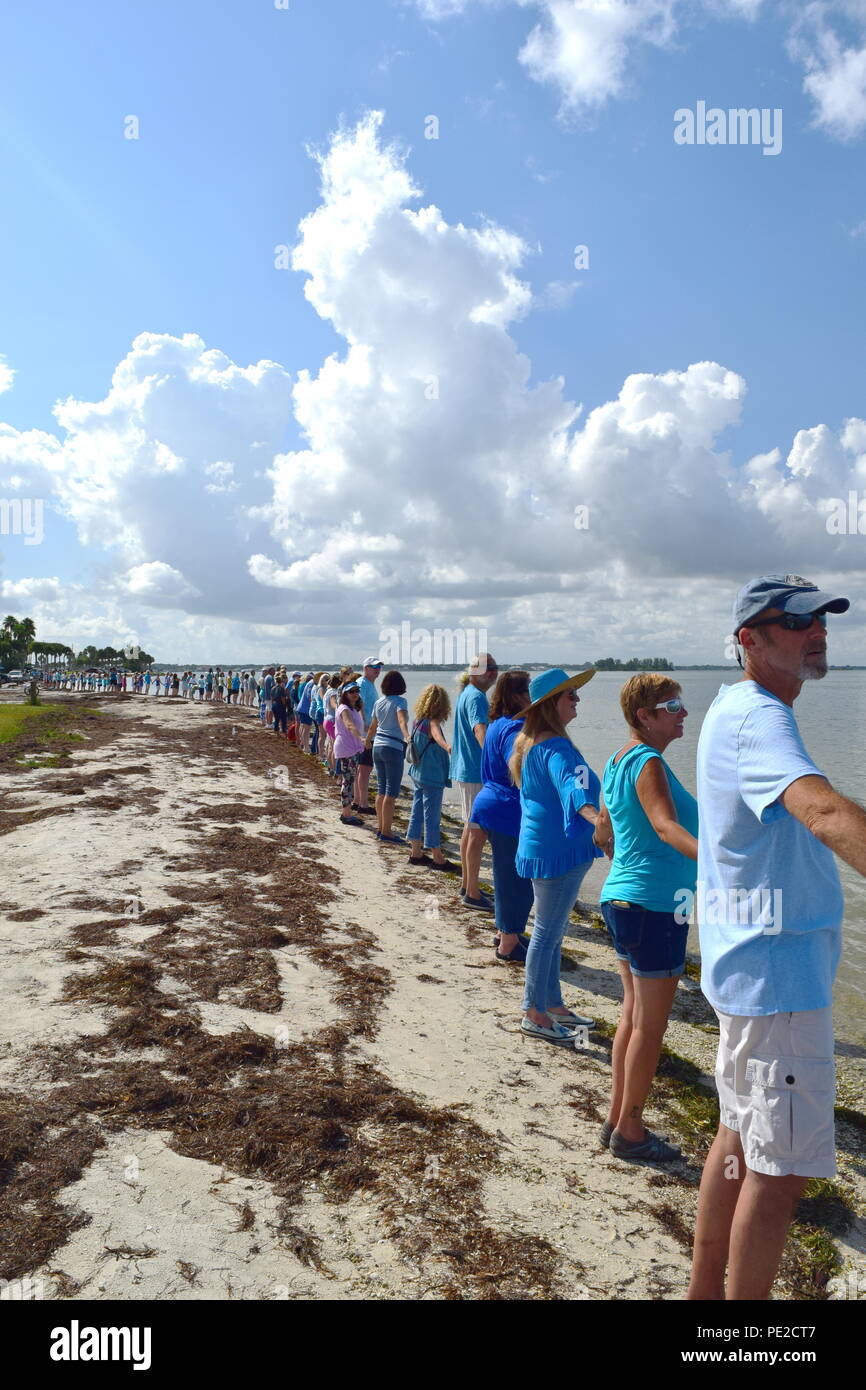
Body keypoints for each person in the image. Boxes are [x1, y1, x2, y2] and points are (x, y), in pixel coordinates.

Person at [687, 574, 865, 1302]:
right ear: (748, 641)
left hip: (750, 976)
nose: (814, 630)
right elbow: (821, 810)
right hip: (779, 986)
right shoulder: (759, 717)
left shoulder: (735, 708)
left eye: (819, 618)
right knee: (779, 1174)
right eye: (794, 622)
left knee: (737, 1143)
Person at [593, 674, 698, 1164]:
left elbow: (603, 832)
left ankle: (616, 1117)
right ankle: (631, 1131)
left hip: (621, 900)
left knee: (633, 1016)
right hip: (654, 907)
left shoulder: (618, 759)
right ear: (645, 716)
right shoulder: (649, 762)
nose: (682, 713)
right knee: (650, 1026)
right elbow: (664, 824)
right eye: (671, 705)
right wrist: (719, 866)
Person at [509, 668, 601, 1046]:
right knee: (547, 934)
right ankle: (534, 1011)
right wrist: (599, 823)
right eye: (570, 696)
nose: (577, 700)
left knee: (550, 931)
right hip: (560, 854)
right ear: (551, 705)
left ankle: (552, 1003)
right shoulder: (557, 749)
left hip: (539, 850)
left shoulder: (529, 744)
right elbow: (574, 788)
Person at [471, 670, 534, 963]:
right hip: (508, 807)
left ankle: (504, 932)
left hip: (492, 803)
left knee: (505, 875)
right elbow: (516, 764)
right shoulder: (516, 727)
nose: (533, 697)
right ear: (519, 695)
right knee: (516, 879)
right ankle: (508, 944)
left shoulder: (497, 723)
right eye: (529, 690)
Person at [450, 653, 498, 911]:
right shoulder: (476, 697)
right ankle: (472, 893)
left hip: (464, 769)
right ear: (476, 672)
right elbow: (481, 731)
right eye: (490, 668)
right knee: (477, 832)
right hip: (474, 771)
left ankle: (467, 883)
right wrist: (497, 763)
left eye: (495, 668)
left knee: (470, 828)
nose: (494, 673)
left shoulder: (467, 693)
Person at [406, 685, 457, 870]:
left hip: (418, 773)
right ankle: (437, 857)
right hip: (431, 776)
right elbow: (436, 734)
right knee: (432, 815)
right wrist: (448, 747)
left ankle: (416, 852)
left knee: (417, 811)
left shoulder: (418, 721)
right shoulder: (432, 722)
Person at [365, 670, 410, 842]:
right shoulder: (401, 701)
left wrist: (368, 741)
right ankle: (387, 832)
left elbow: (373, 726)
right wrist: (407, 736)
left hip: (377, 746)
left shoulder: (379, 702)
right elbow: (401, 721)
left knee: (381, 789)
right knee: (391, 792)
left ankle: (380, 827)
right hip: (392, 747)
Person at [333, 681, 367, 827]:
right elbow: (348, 724)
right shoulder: (344, 708)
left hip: (352, 748)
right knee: (347, 781)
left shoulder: (353, 708)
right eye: (351, 691)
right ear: (345, 694)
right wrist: (361, 738)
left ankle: (346, 812)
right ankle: (346, 814)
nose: (355, 694)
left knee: (350, 779)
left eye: (357, 691)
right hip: (346, 748)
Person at [355, 658, 384, 814]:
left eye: (379, 667)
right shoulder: (362, 683)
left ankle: (357, 800)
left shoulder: (370, 684)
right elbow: (358, 703)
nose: (377, 670)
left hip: (369, 731)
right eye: (374, 667)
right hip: (366, 733)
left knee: (362, 768)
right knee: (365, 768)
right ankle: (363, 804)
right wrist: (364, 722)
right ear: (365, 668)